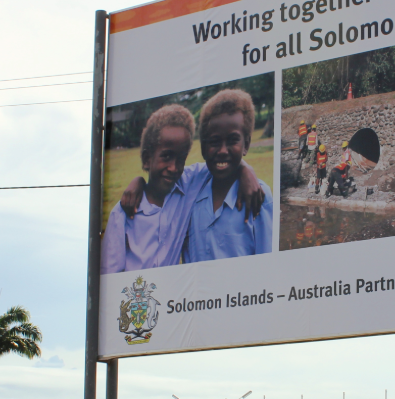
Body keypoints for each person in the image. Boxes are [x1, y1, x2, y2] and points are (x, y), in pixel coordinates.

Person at [101, 105, 196, 274]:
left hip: (170, 298)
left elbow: (219, 160)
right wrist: (138, 180)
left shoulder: (187, 186)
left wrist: (246, 170)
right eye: (166, 156)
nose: (174, 168)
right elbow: (109, 274)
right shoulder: (122, 213)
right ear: (147, 159)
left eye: (181, 159)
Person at [183, 88, 274, 261]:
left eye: (232, 141)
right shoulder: (192, 190)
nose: (223, 151)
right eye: (214, 142)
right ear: (203, 147)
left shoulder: (260, 197)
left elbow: (267, 261)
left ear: (246, 144)